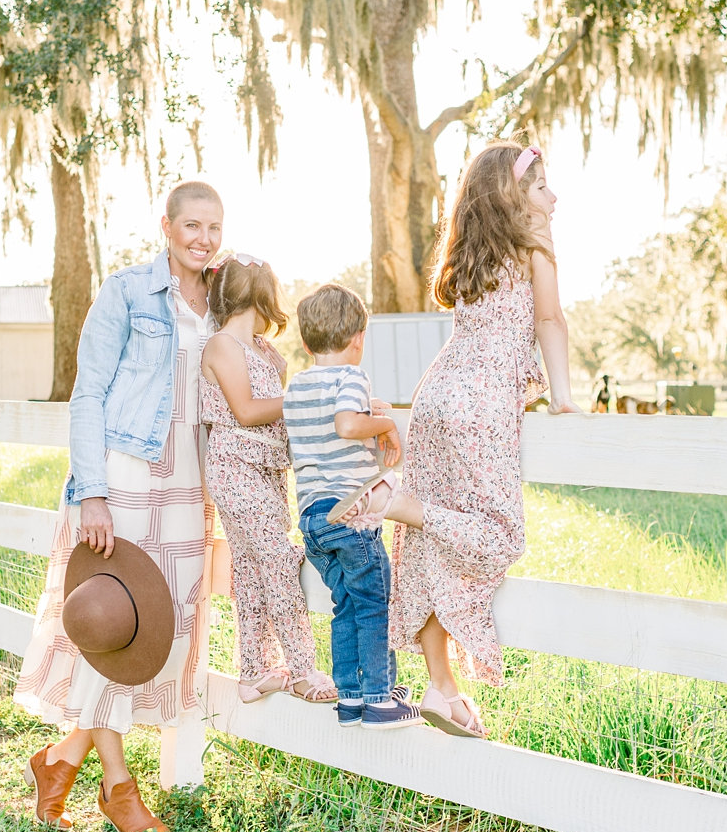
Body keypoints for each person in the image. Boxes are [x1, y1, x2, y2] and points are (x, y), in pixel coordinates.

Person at [13, 180, 223, 832]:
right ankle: (118, 786)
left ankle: (61, 757)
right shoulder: (128, 291)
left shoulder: (223, 300)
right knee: (112, 620)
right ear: (166, 226)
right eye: (191, 225)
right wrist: (92, 493)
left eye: (214, 227)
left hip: (190, 485)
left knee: (153, 633)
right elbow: (88, 396)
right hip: (125, 478)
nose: (203, 238)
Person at [377, 141, 581, 738]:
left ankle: (442, 688)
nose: (552, 195)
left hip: (437, 397)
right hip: (480, 405)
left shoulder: (470, 254)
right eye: (541, 185)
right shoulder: (534, 247)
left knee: (431, 542)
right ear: (512, 197)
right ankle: (405, 506)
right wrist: (563, 394)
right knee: (497, 534)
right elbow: (549, 321)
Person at [199, 254, 337, 705]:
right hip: (237, 467)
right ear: (258, 297)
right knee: (278, 559)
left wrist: (279, 374)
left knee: (253, 566)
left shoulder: (258, 351)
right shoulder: (222, 346)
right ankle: (301, 669)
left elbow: (267, 405)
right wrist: (299, 394)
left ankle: (254, 671)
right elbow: (246, 410)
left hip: (265, 467)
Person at [284, 284, 423, 729]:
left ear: (306, 342)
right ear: (359, 337)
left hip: (312, 517)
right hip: (351, 512)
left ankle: (351, 697)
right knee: (373, 601)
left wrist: (372, 413)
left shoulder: (298, 385)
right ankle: (380, 699)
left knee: (346, 603)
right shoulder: (351, 378)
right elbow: (347, 424)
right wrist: (388, 422)